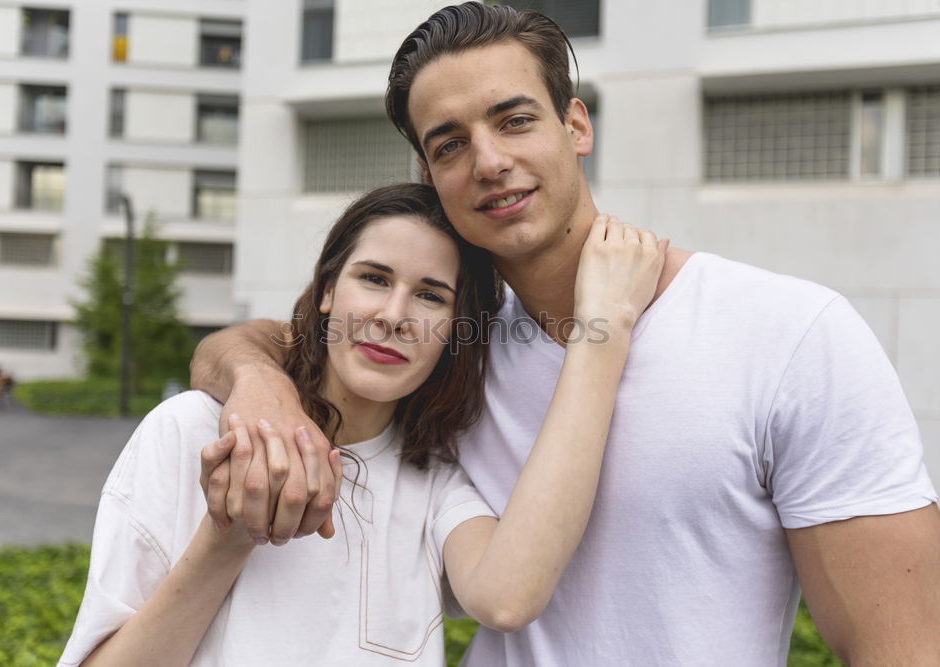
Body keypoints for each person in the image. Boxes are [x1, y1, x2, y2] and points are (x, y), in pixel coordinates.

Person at [190, 3, 940, 666]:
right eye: (450, 144)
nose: (489, 161)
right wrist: (263, 390)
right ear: (429, 172)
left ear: (576, 124)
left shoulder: (790, 334)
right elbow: (251, 344)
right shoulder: (453, 338)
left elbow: (902, 645)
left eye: (515, 119)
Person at [59, 182, 667, 665]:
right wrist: (230, 539)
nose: (393, 316)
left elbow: (507, 599)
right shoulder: (193, 431)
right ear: (327, 289)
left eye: (430, 296)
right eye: (373, 279)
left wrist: (604, 330)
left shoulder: (435, 481)